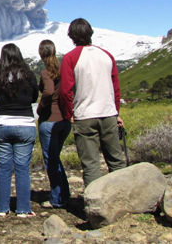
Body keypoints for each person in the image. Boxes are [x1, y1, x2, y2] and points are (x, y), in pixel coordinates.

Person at [60, 18, 126, 187]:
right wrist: (116, 112)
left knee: (90, 164)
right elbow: (115, 87)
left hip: (84, 116)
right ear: (90, 33)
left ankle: (95, 205)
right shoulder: (107, 55)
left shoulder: (70, 58)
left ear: (72, 36)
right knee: (116, 160)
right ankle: (121, 199)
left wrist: (69, 114)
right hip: (108, 113)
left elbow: (66, 90)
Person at [0, 43, 39, 217]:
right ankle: (23, 209)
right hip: (25, 124)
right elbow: (34, 97)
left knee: (3, 167)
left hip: (2, 124)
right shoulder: (29, 76)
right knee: (22, 168)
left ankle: (2, 208)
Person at [36, 40, 71, 209]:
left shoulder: (45, 72)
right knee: (56, 158)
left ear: (41, 53)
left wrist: (41, 107)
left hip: (49, 121)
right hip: (64, 120)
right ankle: (65, 193)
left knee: (51, 160)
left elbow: (48, 91)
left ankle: (57, 198)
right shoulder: (63, 70)